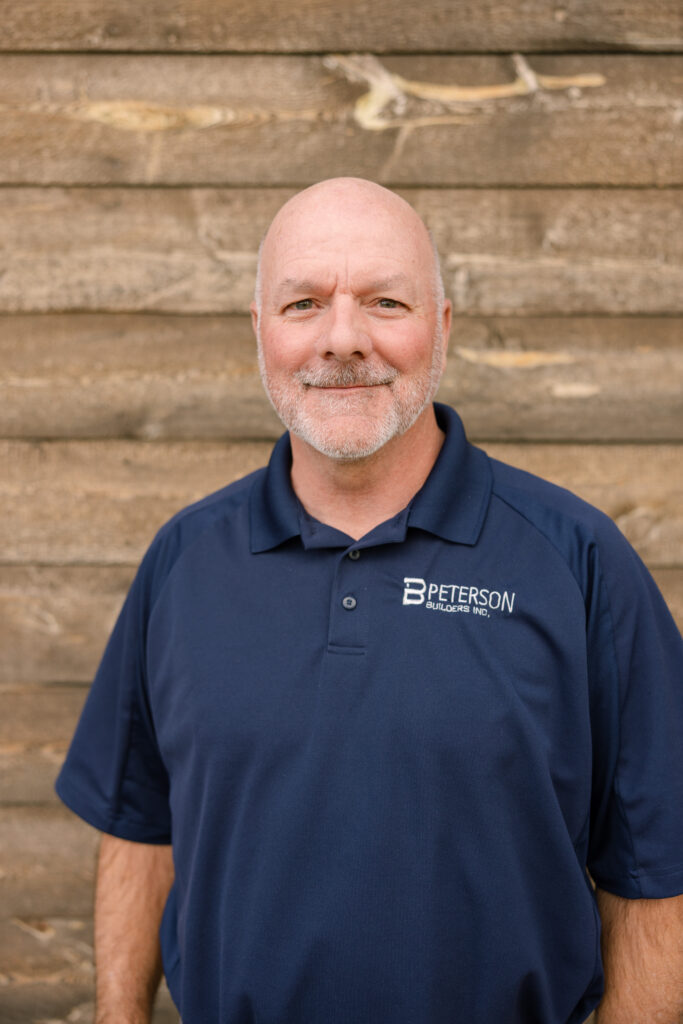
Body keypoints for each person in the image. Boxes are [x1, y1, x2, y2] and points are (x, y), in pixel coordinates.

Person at [56, 178, 683, 1024]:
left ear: (443, 328)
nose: (342, 339)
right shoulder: (185, 560)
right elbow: (138, 824)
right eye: (304, 303)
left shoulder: (576, 562)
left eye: (385, 302)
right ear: (259, 331)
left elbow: (656, 872)